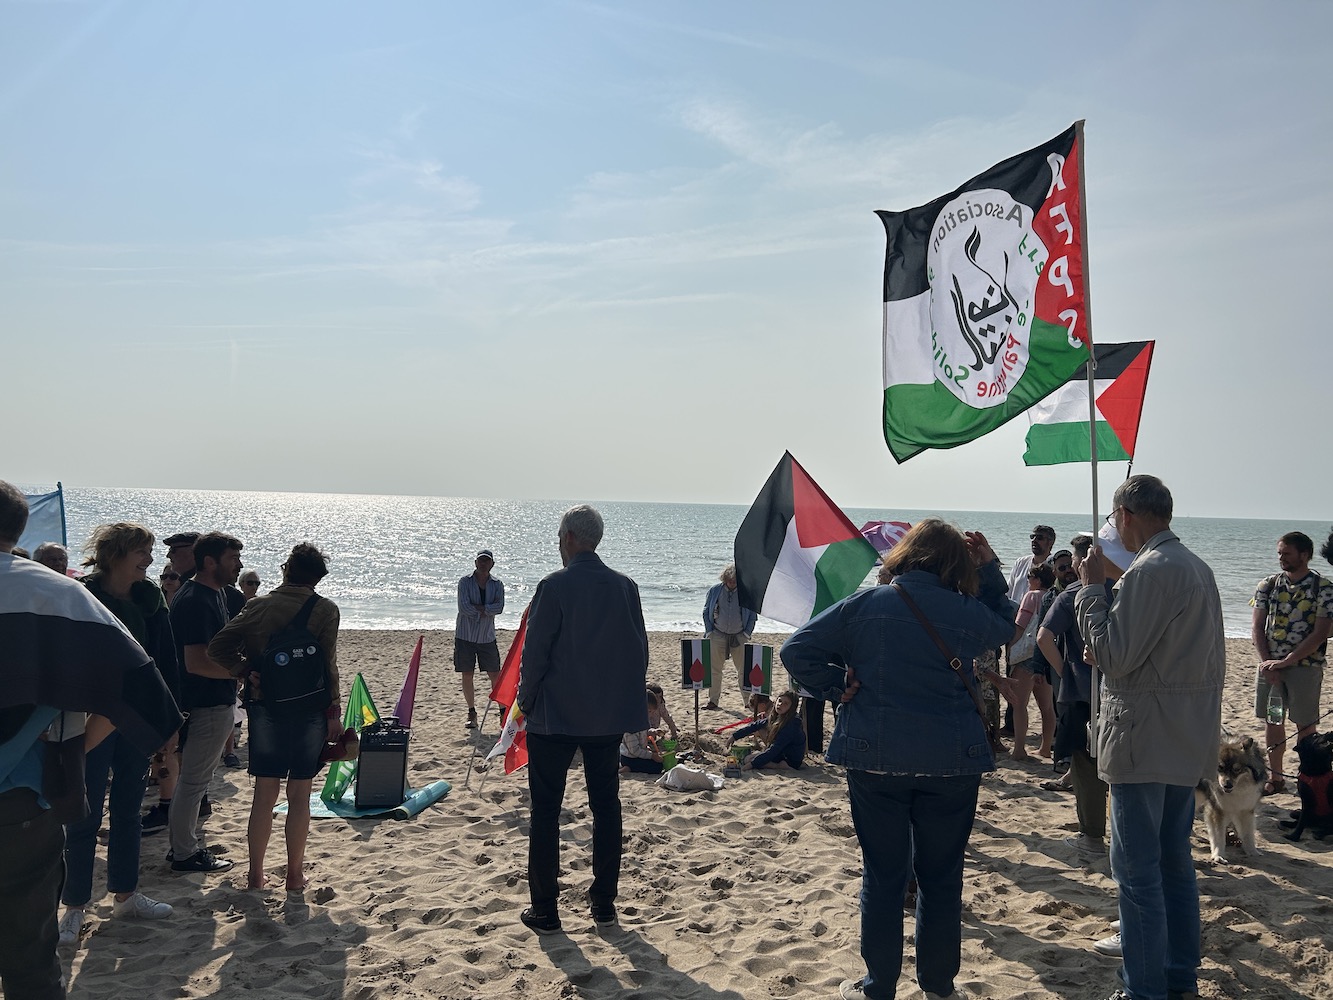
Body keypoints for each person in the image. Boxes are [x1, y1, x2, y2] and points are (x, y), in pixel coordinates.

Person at [781, 519, 1017, 1000]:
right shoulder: (965, 611)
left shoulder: (866, 604)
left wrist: (836, 686)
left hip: (876, 757)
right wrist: (990, 570)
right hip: (951, 759)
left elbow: (796, 650)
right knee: (942, 878)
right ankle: (938, 986)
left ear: (904, 554)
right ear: (956, 564)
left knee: (884, 877)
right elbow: (1006, 626)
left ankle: (879, 986)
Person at [0, 480, 181, 1000]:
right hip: (21, 799)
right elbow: (137, 688)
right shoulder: (60, 594)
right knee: (29, 959)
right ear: (18, 527)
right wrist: (76, 747)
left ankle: (110, 896)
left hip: (25, 798)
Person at [1076, 475, 1225, 1000]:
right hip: (1185, 734)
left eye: (1115, 518)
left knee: (1137, 872)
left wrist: (1091, 591)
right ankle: (1179, 977)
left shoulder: (1150, 570)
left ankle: (1144, 988)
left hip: (1145, 736)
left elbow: (1114, 656)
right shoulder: (1197, 567)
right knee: (1173, 864)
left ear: (1126, 514)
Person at [517, 505, 649, 934]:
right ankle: (604, 903)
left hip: (555, 717)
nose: (559, 544)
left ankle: (545, 909)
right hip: (605, 718)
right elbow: (639, 652)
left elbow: (535, 655)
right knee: (606, 807)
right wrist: (626, 705)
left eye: (560, 537)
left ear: (571, 538)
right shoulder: (625, 587)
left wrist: (524, 703)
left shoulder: (553, 586)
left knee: (546, 812)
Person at [58, 523, 178, 947]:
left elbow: (165, 664)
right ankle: (74, 906)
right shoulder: (82, 595)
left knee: (128, 811)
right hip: (90, 716)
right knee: (84, 814)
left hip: (136, 719)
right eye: (141, 551)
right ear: (115, 554)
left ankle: (125, 895)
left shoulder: (151, 600)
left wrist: (169, 722)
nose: (149, 559)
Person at [208, 543, 343, 892]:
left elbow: (218, 646)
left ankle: (256, 875)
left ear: (286, 570)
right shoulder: (326, 609)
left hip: (266, 705)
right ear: (317, 578)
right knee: (300, 794)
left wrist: (244, 669)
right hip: (310, 708)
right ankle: (295, 875)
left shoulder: (258, 606)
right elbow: (328, 665)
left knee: (265, 793)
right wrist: (334, 711)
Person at [167, 531, 245, 873]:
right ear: (210, 562)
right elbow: (196, 662)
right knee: (194, 782)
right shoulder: (196, 599)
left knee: (194, 781)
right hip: (205, 704)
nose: (238, 566)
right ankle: (184, 853)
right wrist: (241, 672)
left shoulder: (213, 593)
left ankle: (182, 846)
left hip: (208, 702)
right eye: (232, 559)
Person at [1037, 543, 1108, 855]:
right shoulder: (1123, 589)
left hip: (1082, 691)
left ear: (1082, 561)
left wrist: (1064, 671)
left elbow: (1044, 637)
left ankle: (1092, 837)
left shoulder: (1071, 595)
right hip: (1122, 689)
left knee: (1086, 765)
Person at [1251, 530, 1333, 795]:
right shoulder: (1268, 585)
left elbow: (1320, 632)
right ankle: (1276, 779)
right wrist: (1268, 663)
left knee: (1305, 725)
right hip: (1272, 670)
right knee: (1273, 721)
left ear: (1304, 555)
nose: (1281, 558)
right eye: (1279, 553)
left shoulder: (1323, 588)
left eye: (1287, 553)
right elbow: (1257, 627)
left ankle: (1307, 779)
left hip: (1305, 668)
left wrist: (1288, 661)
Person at [1006, 562, 1057, 761]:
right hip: (1046, 654)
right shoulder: (1053, 597)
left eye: (1030, 578)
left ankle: (1019, 749)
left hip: (1027, 655)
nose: (1028, 581)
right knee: (1046, 706)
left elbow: (1021, 625)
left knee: (1019, 704)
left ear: (1037, 579)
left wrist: (1011, 648)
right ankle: (1045, 748)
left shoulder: (1031, 596)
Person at [456, 549, 504, 729]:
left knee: (495, 674)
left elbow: (499, 607)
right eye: (481, 561)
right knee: (467, 673)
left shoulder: (497, 584)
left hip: (487, 636)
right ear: (476, 562)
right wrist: (485, 610)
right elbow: (464, 608)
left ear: (492, 564)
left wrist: (480, 608)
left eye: (487, 561)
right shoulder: (465, 582)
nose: (484, 564)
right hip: (465, 636)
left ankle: (502, 712)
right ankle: (471, 712)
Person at [702, 564, 758, 710]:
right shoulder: (715, 590)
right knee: (715, 670)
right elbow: (706, 611)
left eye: (734, 580)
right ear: (724, 579)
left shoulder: (747, 593)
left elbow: (753, 616)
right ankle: (713, 700)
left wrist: (746, 634)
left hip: (739, 636)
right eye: (729, 580)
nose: (732, 583)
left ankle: (748, 702)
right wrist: (709, 631)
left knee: (743, 670)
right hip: (717, 634)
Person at [732, 690, 805, 771]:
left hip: (791, 759)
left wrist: (752, 765)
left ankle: (778, 766)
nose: (780, 704)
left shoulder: (792, 724)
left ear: (792, 708)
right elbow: (756, 725)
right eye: (780, 701)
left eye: (786, 703)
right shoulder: (777, 716)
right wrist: (734, 736)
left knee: (750, 761)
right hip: (780, 753)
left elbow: (775, 748)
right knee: (748, 759)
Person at [620, 691, 665, 775]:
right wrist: (651, 756)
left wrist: (653, 732)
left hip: (638, 753)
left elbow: (644, 732)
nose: (651, 715)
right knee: (657, 767)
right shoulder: (631, 726)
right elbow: (634, 750)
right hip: (629, 758)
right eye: (649, 711)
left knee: (660, 761)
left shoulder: (642, 720)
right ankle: (629, 768)